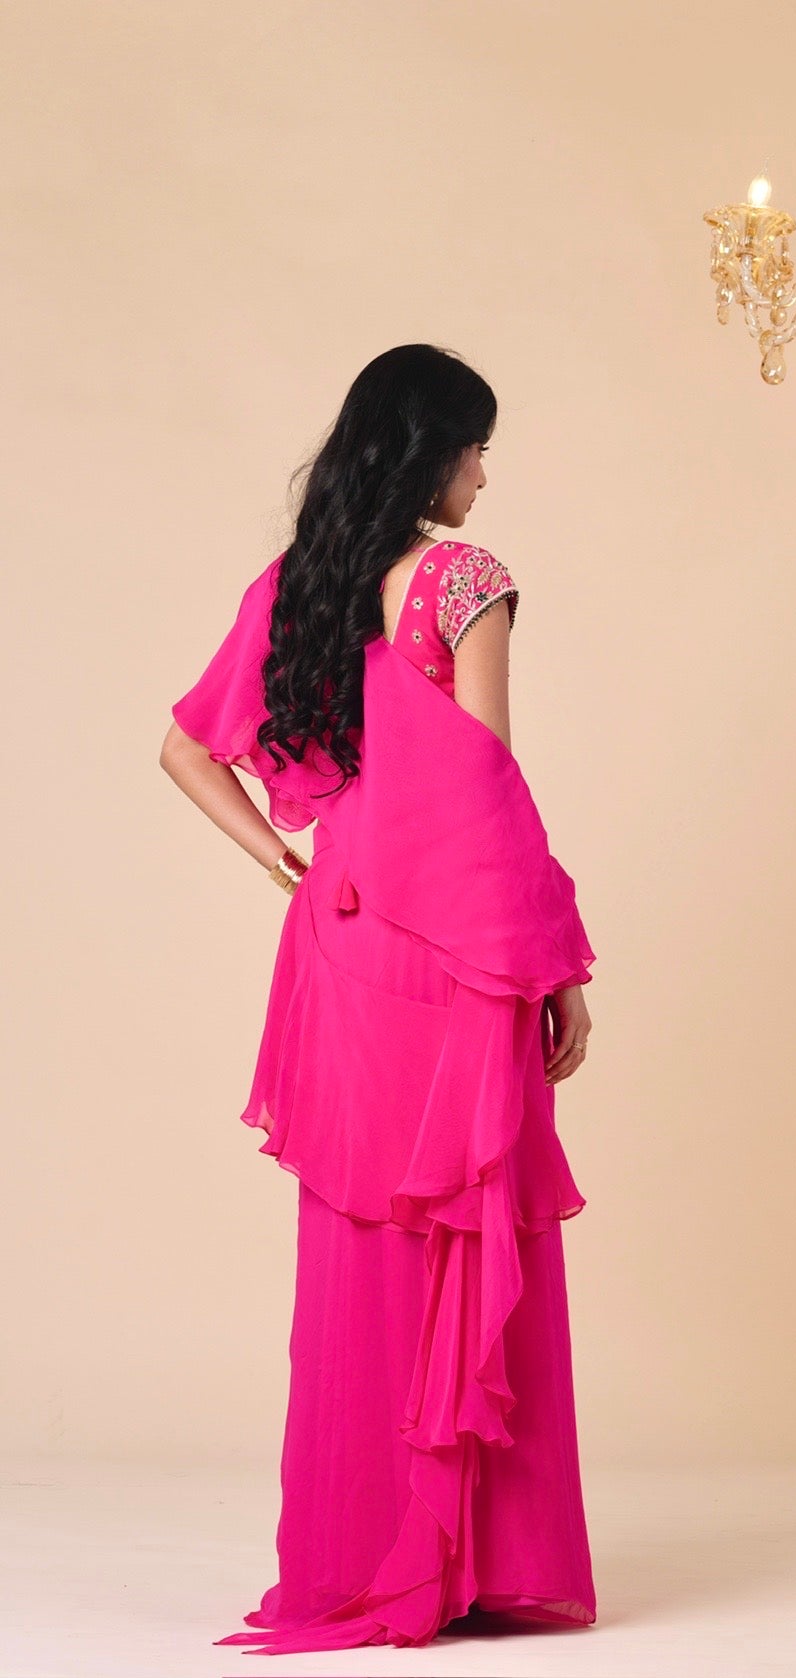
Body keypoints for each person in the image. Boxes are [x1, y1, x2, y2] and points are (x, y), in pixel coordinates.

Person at [159, 343, 598, 1654]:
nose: (482, 475)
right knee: (465, 1218)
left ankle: (368, 1552)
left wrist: (284, 864)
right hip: (451, 943)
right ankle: (471, 1560)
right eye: (475, 447)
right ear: (431, 453)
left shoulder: (297, 586)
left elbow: (185, 748)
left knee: (362, 1237)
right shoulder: (463, 581)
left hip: (340, 944)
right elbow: (484, 792)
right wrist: (556, 969)